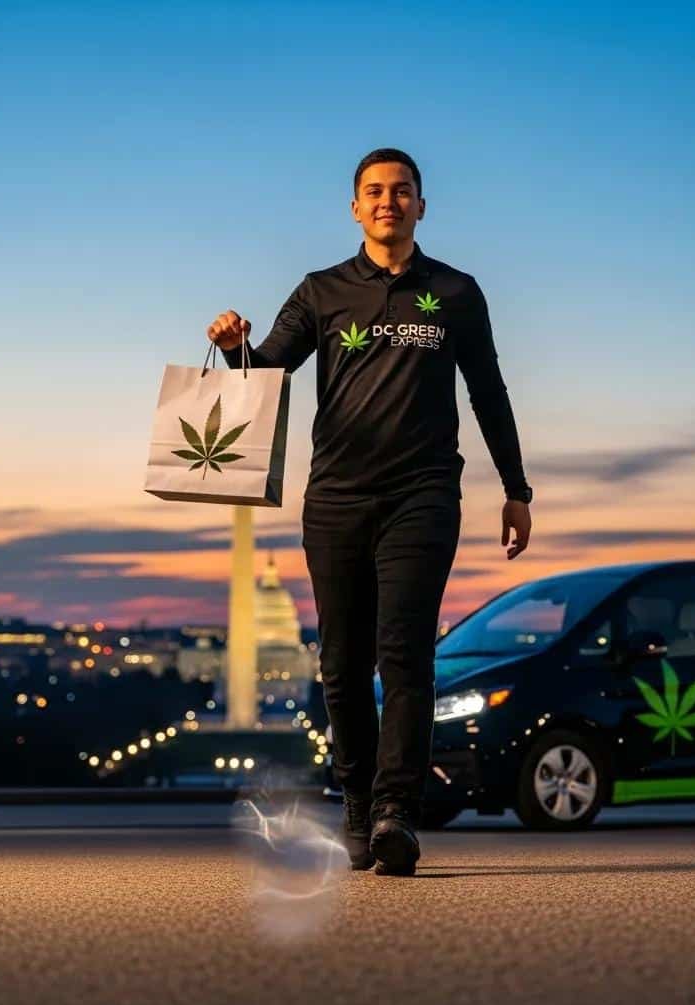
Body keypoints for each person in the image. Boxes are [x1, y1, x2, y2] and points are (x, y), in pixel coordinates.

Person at [207, 148, 533, 876]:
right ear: (355, 208)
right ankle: (357, 800)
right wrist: (236, 348)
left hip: (423, 496)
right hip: (336, 499)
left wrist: (517, 488)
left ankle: (396, 815)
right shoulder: (322, 292)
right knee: (342, 668)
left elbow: (489, 391)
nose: (389, 201)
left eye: (403, 191)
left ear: (422, 205)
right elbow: (265, 376)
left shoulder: (454, 292)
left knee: (407, 659)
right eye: (375, 192)